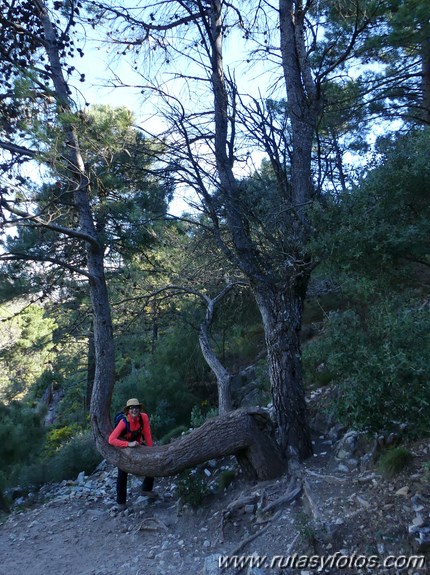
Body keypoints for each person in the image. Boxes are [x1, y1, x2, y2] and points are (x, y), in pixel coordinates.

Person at [108, 397, 154, 506]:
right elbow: (111, 439)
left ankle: (146, 488)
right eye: (131, 408)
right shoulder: (124, 422)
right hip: (123, 447)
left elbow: (147, 433)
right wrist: (128, 444)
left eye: (136, 408)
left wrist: (150, 450)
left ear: (139, 409)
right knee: (122, 472)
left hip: (137, 445)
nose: (134, 410)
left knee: (152, 462)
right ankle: (121, 502)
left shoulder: (144, 417)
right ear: (128, 410)